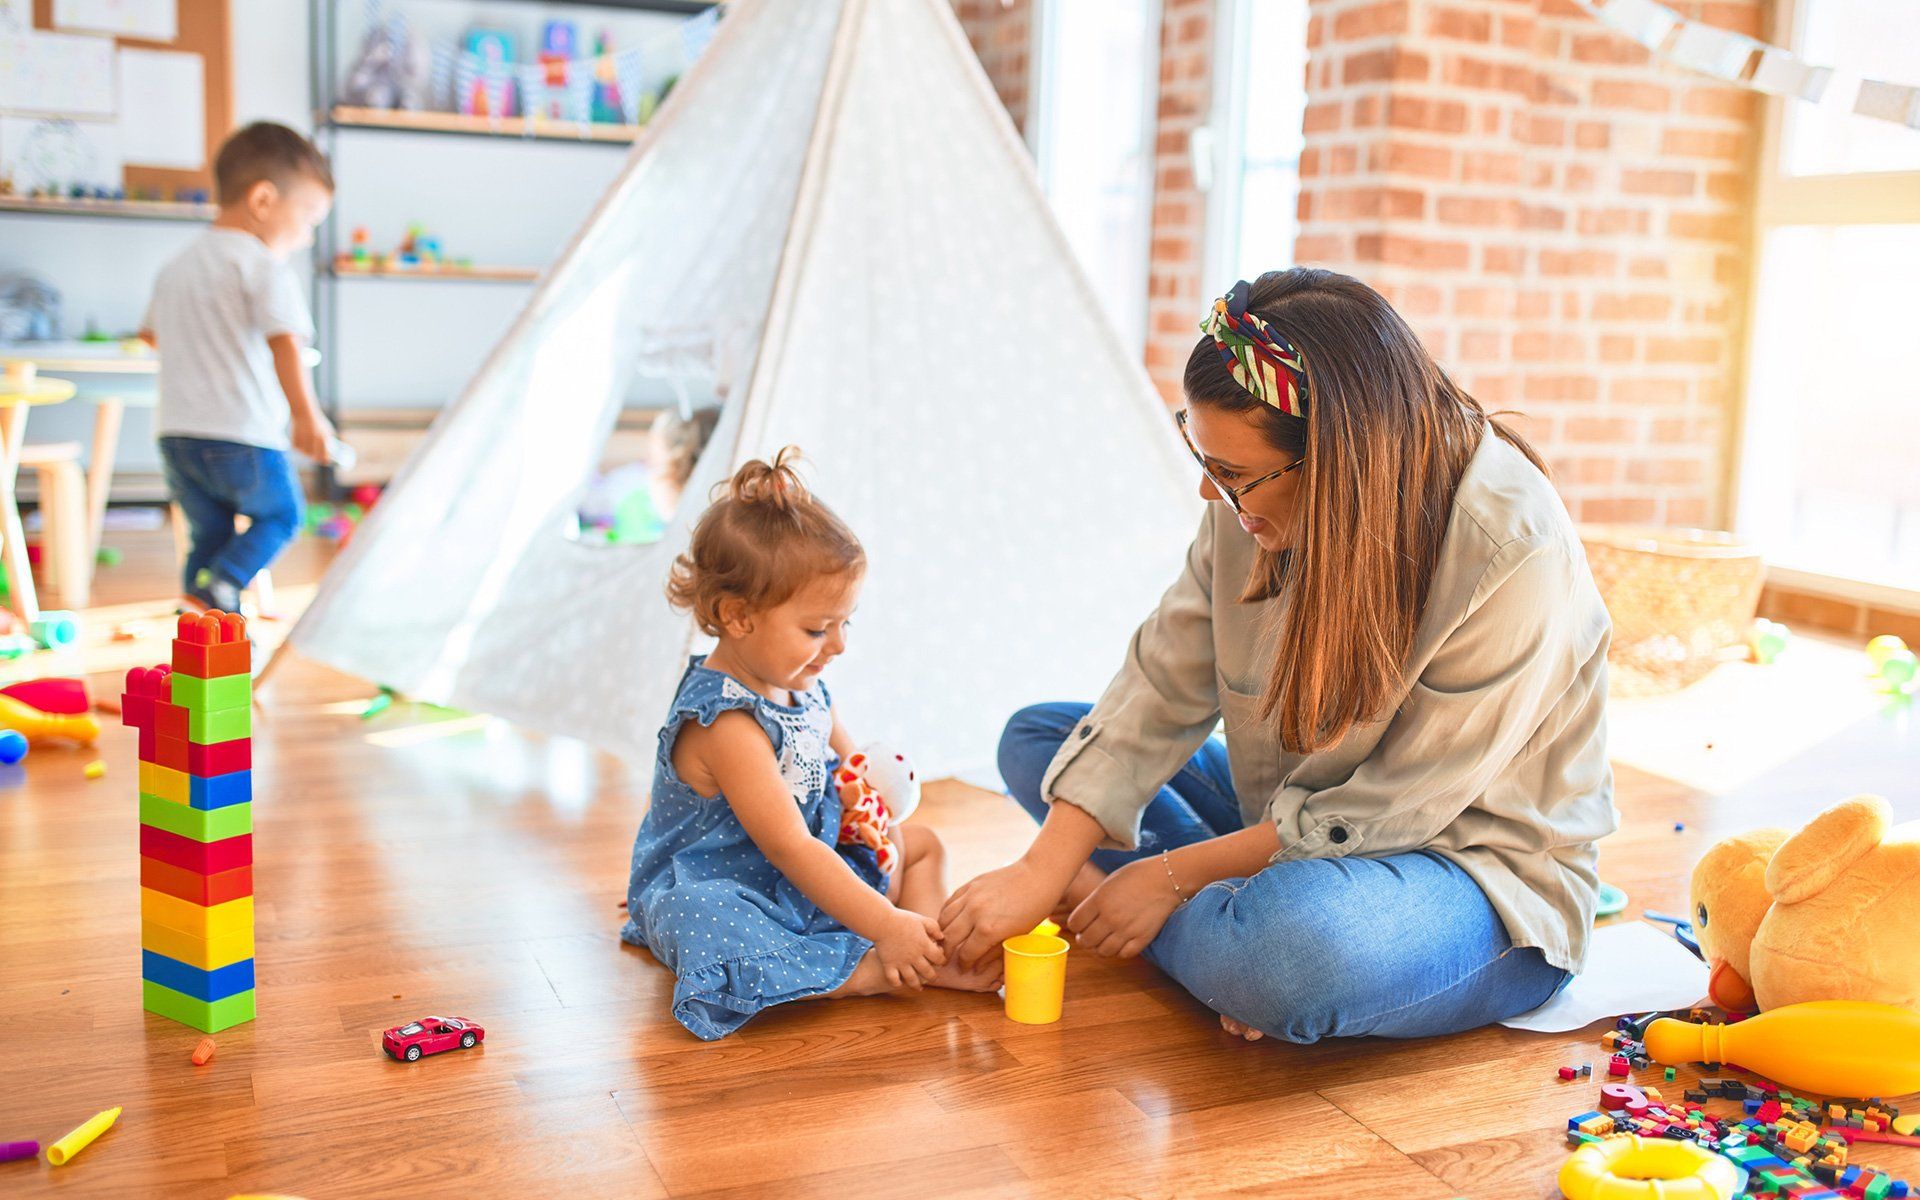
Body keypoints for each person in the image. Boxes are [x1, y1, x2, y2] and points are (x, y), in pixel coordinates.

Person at [940, 268, 1617, 1044]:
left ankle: (1211, 936)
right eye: (1204, 461)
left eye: (1227, 474)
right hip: (1294, 811)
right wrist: (1040, 870)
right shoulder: (1253, 497)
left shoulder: (1511, 551)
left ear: (1338, 462)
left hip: (1466, 874)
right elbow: (1164, 677)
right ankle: (1208, 933)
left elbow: (1385, 814)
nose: (1210, 495)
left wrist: (1164, 876)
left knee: (1292, 955)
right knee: (1038, 738)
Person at [621, 449, 997, 1040]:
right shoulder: (727, 724)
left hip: (804, 868)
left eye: (846, 623)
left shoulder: (806, 687)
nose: (838, 645)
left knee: (920, 845)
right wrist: (881, 923)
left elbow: (852, 770)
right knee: (702, 923)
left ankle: (925, 950)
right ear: (737, 616)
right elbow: (791, 848)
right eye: (818, 629)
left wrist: (876, 813)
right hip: (741, 882)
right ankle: (872, 967)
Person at [140, 122, 336, 613]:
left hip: (177, 433)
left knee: (208, 533)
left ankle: (196, 619)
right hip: (242, 433)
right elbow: (285, 343)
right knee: (283, 516)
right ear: (263, 200)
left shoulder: (176, 265)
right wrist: (307, 417)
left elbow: (150, 335)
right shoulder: (262, 266)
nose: (308, 237)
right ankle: (223, 585)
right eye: (309, 219)